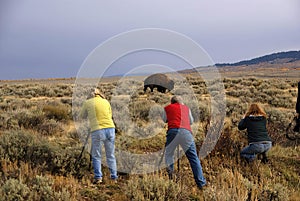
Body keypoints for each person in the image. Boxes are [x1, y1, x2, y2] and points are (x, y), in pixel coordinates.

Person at [162, 96, 206, 189]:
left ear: (172, 102)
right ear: (181, 102)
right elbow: (191, 121)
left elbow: (164, 119)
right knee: (193, 158)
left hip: (172, 131)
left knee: (169, 154)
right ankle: (201, 183)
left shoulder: (167, 108)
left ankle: (171, 178)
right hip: (186, 133)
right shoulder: (186, 108)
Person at [80, 88, 118, 184]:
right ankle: (114, 177)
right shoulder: (105, 101)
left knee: (96, 155)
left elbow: (82, 116)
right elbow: (110, 115)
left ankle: (98, 177)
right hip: (110, 128)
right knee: (111, 155)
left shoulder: (88, 102)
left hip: (97, 130)